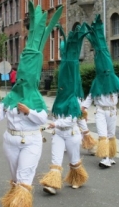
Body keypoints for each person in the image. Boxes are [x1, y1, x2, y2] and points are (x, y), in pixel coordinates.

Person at [0, 2, 63, 207]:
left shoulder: (36, 98)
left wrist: (29, 110)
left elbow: (42, 119)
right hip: (10, 141)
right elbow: (1, 115)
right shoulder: (12, 95)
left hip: (30, 141)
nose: (22, 79)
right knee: (15, 177)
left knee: (24, 178)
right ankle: (14, 197)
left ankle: (20, 202)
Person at [40, 24, 88, 195]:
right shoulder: (58, 100)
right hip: (59, 134)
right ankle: (52, 184)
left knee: (74, 160)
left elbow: (71, 120)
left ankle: (77, 178)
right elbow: (55, 117)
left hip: (72, 135)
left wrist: (55, 124)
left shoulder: (73, 100)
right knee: (55, 159)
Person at [81, 15, 119, 168]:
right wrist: (83, 107)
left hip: (112, 111)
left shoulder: (115, 80)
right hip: (101, 111)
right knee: (102, 134)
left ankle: (110, 155)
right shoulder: (97, 81)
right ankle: (105, 158)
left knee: (111, 134)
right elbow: (90, 96)